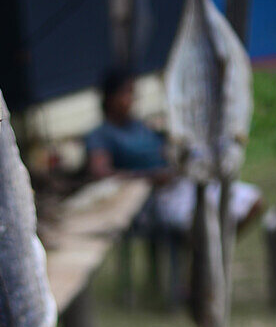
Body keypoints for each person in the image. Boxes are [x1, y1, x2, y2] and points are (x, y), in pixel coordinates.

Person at [85, 68, 262, 234]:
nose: (131, 99)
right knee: (204, 222)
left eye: (133, 93)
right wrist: (148, 177)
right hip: (153, 200)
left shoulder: (139, 126)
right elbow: (100, 173)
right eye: (126, 93)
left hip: (183, 182)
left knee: (253, 200)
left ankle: (217, 251)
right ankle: (204, 255)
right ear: (110, 98)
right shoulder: (102, 135)